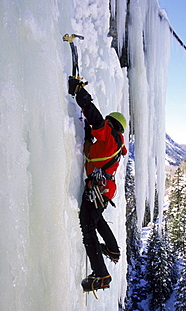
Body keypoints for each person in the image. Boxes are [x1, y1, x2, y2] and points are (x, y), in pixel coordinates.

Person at [68, 78, 127, 293]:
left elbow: (98, 123)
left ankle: (102, 275)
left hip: (98, 188)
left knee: (87, 225)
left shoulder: (111, 137)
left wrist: (82, 97)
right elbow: (91, 149)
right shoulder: (109, 144)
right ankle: (113, 250)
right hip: (102, 188)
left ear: (113, 125)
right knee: (95, 219)